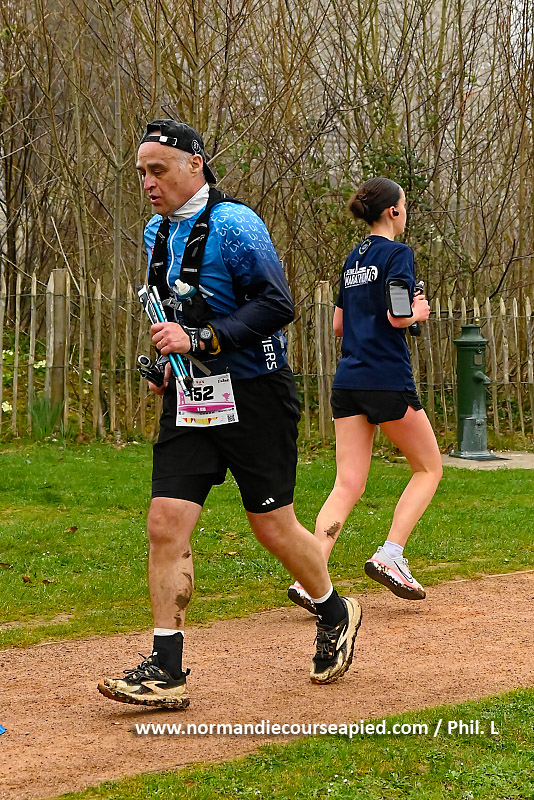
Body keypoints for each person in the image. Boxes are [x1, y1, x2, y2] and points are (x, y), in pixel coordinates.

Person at [97, 119, 362, 709]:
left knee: (272, 526)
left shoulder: (236, 224)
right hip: (194, 395)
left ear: (194, 164)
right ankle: (167, 669)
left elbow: (277, 304)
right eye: (141, 172)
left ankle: (334, 611)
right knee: (165, 521)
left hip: (257, 394)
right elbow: (172, 309)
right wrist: (169, 364)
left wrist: (200, 340)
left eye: (157, 170)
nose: (147, 182)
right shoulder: (156, 232)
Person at [288, 176, 442, 615]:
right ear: (393, 211)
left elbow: (339, 325)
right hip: (386, 378)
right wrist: (418, 312)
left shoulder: (352, 260)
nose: (405, 213)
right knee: (429, 468)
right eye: (404, 206)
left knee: (347, 483)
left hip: (348, 381)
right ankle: (391, 554)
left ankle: (310, 576)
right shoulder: (398, 254)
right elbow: (398, 316)